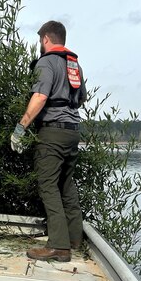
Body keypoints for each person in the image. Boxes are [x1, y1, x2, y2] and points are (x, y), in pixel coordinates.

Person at [11, 20, 87, 262]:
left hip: (52, 132)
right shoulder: (74, 64)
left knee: (48, 185)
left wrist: (20, 127)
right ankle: (74, 239)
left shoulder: (46, 62)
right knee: (66, 184)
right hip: (73, 130)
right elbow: (81, 98)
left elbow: (40, 97)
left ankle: (59, 247)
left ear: (45, 39)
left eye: (39, 41)